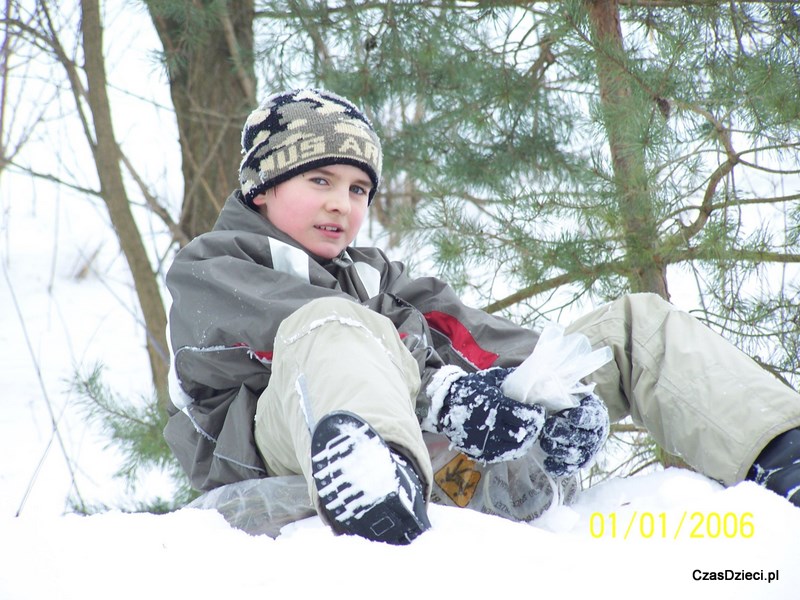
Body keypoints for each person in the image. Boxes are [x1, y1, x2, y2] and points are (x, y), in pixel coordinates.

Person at [164, 88, 800, 545]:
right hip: (295, 467)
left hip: (448, 478)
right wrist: (444, 397)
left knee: (628, 328)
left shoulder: (375, 277)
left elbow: (480, 343)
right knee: (336, 324)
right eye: (321, 180)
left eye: (358, 189)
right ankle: (375, 485)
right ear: (263, 187)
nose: (342, 204)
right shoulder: (212, 268)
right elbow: (304, 339)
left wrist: (556, 394)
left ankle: (784, 454)